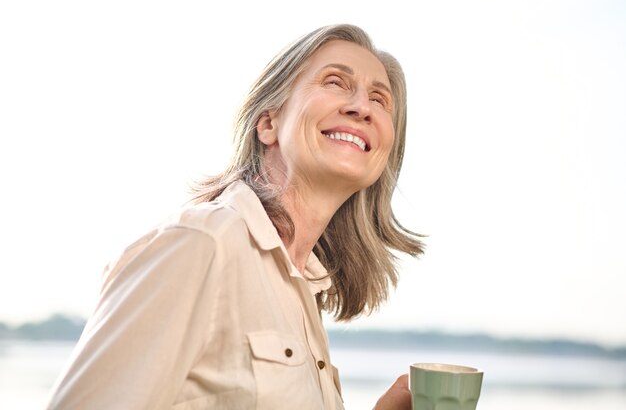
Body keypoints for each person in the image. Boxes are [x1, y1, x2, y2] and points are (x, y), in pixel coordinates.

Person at [46, 23, 424, 409]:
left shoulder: (304, 287)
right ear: (268, 123)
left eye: (380, 100)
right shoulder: (200, 243)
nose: (362, 107)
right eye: (333, 82)